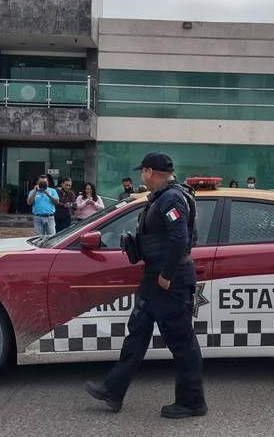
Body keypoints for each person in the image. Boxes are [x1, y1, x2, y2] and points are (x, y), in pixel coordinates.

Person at [86, 152, 207, 419]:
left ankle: (192, 402)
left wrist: (166, 274)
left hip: (169, 280)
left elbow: (179, 239)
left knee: (182, 341)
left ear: (150, 172)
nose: (142, 175)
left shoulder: (172, 198)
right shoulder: (164, 196)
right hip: (154, 277)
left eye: (143, 171)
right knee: (137, 332)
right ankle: (113, 390)